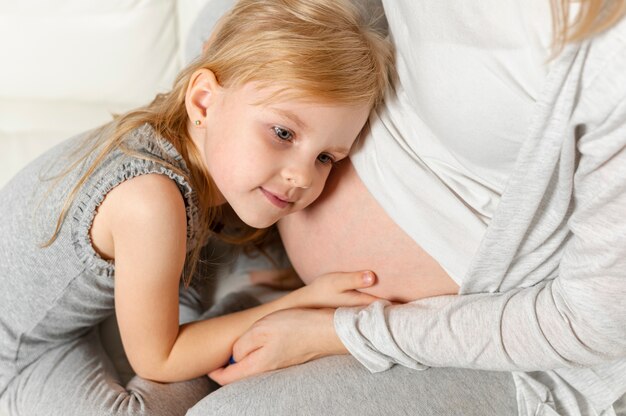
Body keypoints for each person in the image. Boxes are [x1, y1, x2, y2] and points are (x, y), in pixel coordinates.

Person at [185, 1, 626, 415]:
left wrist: (340, 333)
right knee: (236, 31)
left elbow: (591, 325)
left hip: (481, 341)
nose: (304, 177)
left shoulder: (610, 48)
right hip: (287, 256)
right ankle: (181, 275)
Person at [0, 1, 395, 414]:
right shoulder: (149, 201)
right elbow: (159, 360)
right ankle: (240, 306)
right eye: (283, 133)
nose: (303, 177)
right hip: (16, 352)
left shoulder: (187, 145)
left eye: (326, 158)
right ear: (203, 102)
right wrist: (294, 305)